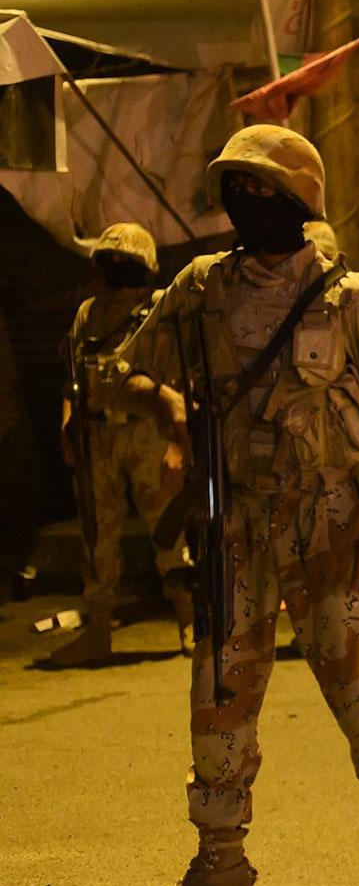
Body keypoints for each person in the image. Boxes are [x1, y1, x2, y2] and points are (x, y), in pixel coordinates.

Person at [110, 125, 359, 886]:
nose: (246, 202)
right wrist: (174, 414)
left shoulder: (349, 297)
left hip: (331, 523)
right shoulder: (198, 287)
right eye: (236, 188)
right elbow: (127, 369)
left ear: (299, 202)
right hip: (235, 525)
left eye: (263, 190)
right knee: (219, 699)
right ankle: (220, 870)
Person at [42, 223, 193, 667]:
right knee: (96, 537)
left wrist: (178, 447)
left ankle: (188, 616)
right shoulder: (89, 313)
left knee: (168, 528)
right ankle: (97, 631)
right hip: (97, 438)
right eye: (109, 260)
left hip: (148, 434)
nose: (116, 269)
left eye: (124, 261)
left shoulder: (162, 310)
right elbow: (72, 379)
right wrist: (68, 428)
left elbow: (181, 380)